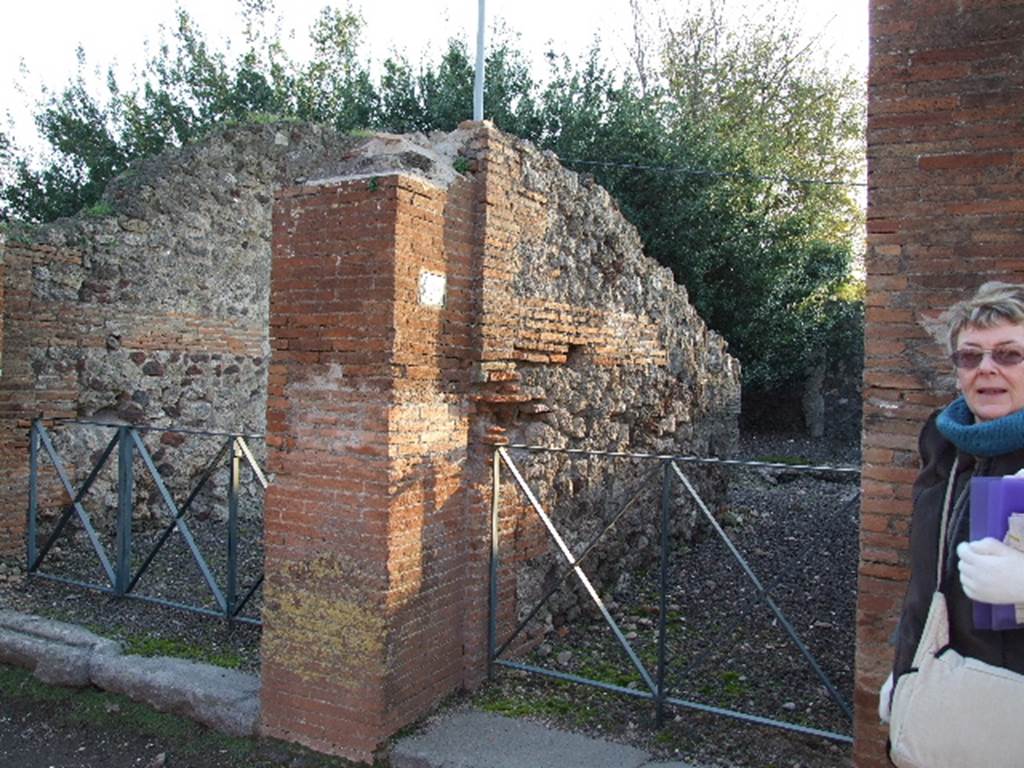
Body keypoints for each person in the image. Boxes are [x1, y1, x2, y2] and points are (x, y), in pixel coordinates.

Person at [879, 281, 1024, 725]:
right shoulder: (942, 447)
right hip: (942, 697)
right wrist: (903, 667)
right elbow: (926, 580)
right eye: (970, 355)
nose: (986, 368)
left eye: (1009, 354)